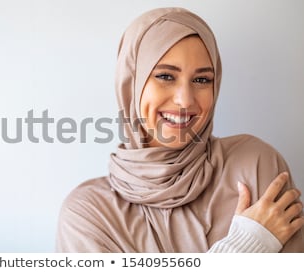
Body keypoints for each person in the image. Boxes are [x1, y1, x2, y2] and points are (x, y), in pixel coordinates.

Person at [55, 7, 304, 252]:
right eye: (165, 76)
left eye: (202, 80)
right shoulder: (88, 214)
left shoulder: (252, 163)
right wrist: (246, 246)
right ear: (132, 83)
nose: (185, 100)